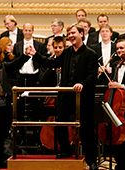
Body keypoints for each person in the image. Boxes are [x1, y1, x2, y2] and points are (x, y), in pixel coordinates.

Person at [27, 23, 98, 170]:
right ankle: (65, 150)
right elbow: (51, 62)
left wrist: (82, 84)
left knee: (86, 128)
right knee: (60, 123)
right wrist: (35, 55)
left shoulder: (91, 53)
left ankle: (91, 160)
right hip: (66, 95)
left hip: (82, 96)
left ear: (81, 34)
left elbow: (92, 75)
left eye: (73, 33)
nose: (71, 36)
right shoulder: (66, 52)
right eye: (69, 34)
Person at [108, 39, 125, 170]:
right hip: (119, 106)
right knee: (119, 137)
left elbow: (122, 85)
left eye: (122, 48)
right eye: (117, 48)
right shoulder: (116, 64)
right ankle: (120, 163)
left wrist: (121, 86)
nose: (119, 50)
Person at [13, 22, 47, 87]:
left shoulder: (40, 45)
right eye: (26, 30)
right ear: (22, 31)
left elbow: (43, 62)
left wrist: (40, 75)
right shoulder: (17, 46)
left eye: (29, 30)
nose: (27, 32)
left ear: (33, 31)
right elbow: (15, 62)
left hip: (35, 76)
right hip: (21, 76)